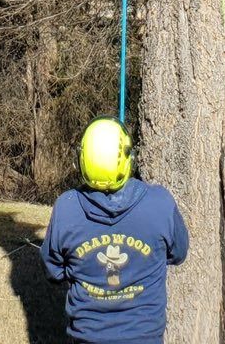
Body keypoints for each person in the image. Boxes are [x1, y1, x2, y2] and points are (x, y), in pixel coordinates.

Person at [42, 118, 190, 343]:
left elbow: (53, 270)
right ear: (128, 157)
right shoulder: (160, 203)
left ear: (82, 160)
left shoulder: (67, 208)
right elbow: (178, 253)